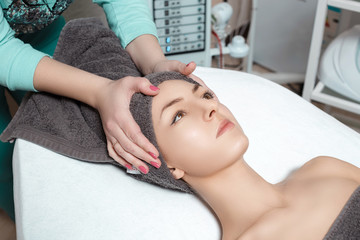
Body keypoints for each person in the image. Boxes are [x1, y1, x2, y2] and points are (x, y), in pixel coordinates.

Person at [0, 0, 196, 221]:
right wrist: (101, 92)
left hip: (41, 31)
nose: (210, 110)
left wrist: (154, 64)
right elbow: (2, 51)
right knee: (3, 161)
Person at [128, 73, 360, 240]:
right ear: (167, 166)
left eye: (206, 95)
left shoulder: (324, 168)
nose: (211, 108)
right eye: (178, 115)